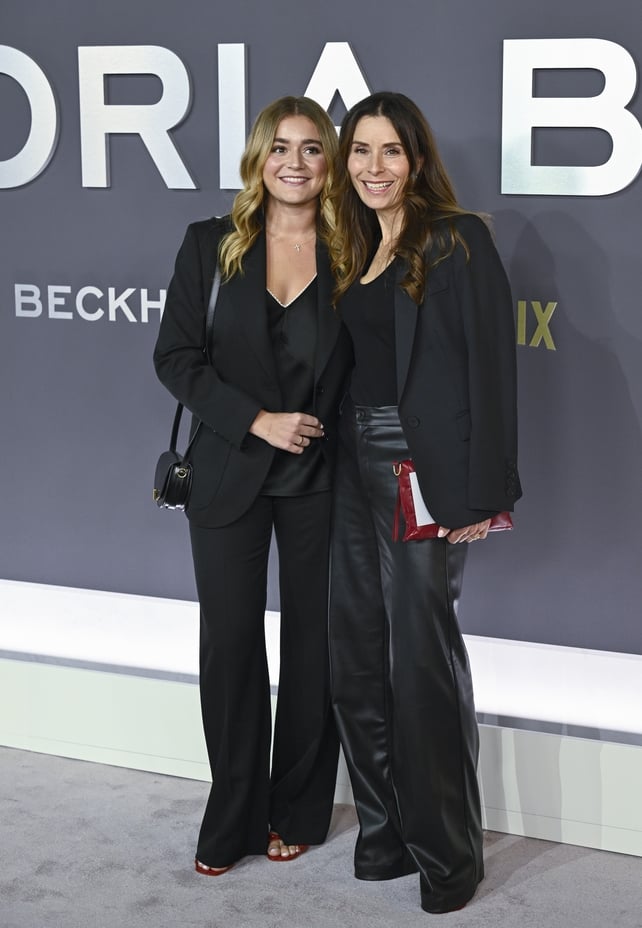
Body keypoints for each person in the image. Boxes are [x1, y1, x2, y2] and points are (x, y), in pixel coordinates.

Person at [327, 92, 522, 913]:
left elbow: (492, 368)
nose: (374, 168)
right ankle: (384, 836)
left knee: (421, 658)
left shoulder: (456, 239)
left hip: (420, 469)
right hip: (349, 468)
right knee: (357, 656)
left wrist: (483, 490)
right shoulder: (358, 245)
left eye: (391, 152)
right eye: (361, 151)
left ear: (417, 159)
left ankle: (448, 855)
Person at [153, 96, 352, 874]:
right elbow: (175, 358)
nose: (294, 163)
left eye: (311, 149)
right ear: (257, 159)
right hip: (229, 470)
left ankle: (298, 807)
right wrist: (257, 420)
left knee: (316, 649)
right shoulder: (211, 245)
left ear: (328, 164)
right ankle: (232, 814)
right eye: (280, 148)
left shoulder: (354, 250)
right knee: (230, 647)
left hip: (322, 478)